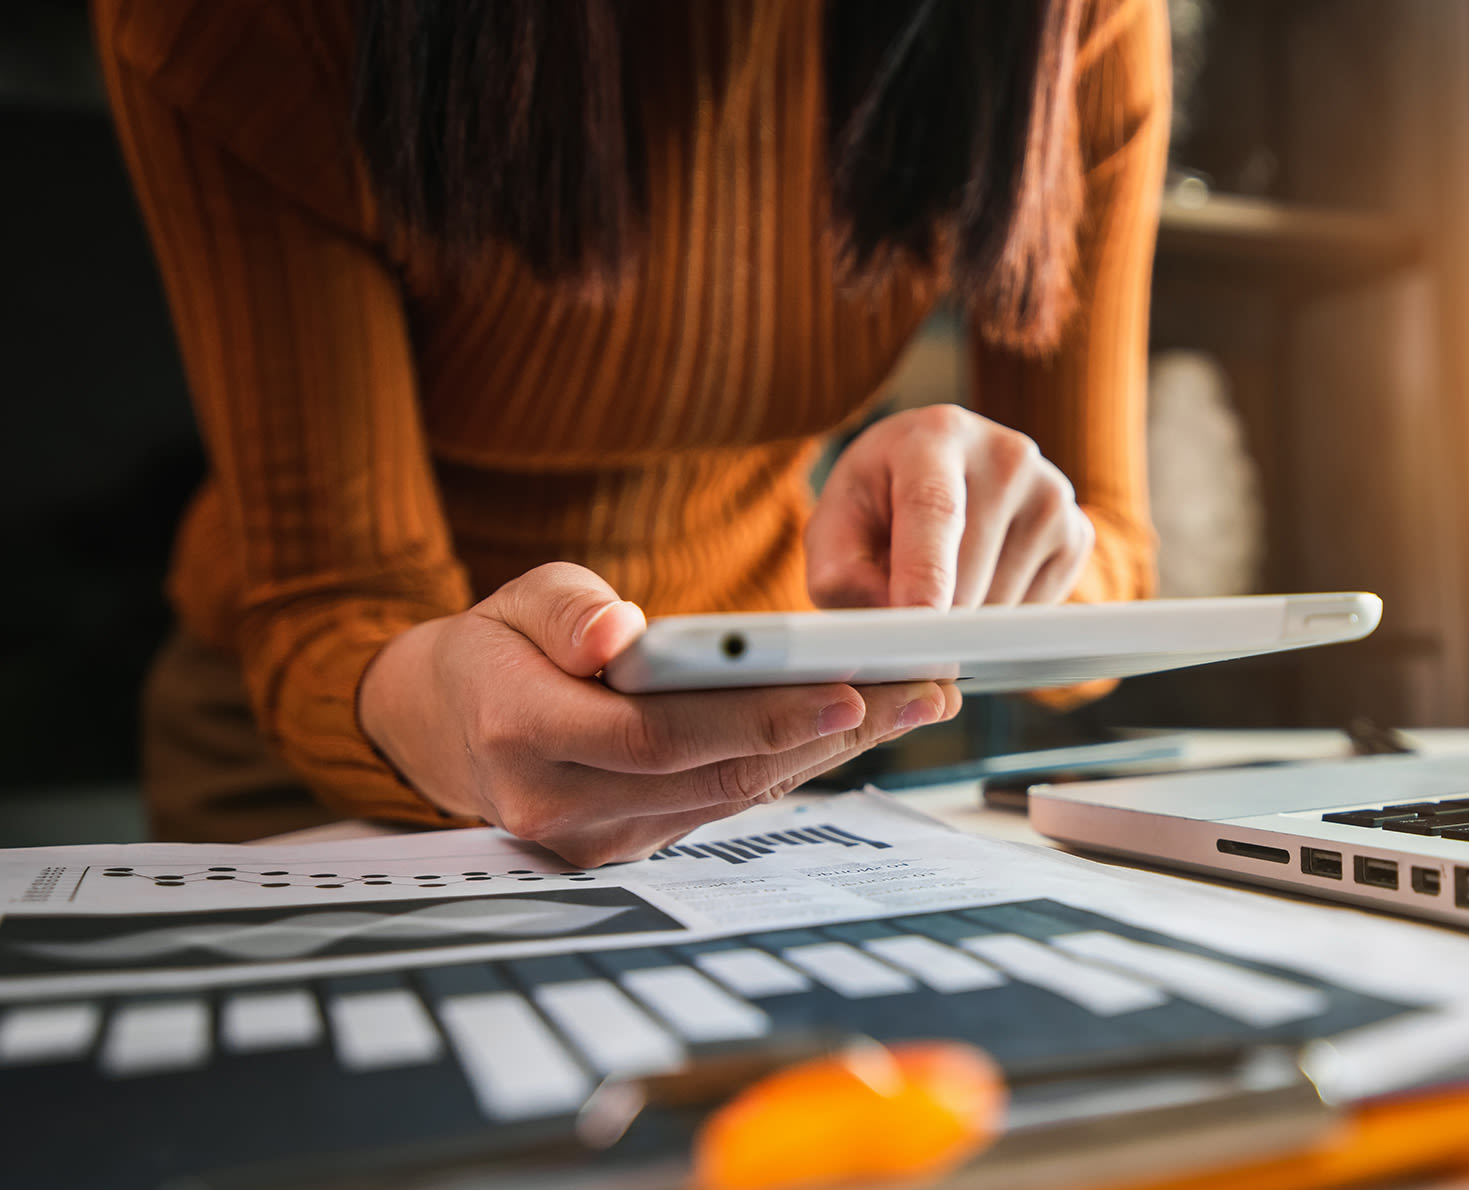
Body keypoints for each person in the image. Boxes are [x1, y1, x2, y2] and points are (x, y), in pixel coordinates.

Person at [96, 0, 1166, 866]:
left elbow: (1108, 556)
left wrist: (1000, 556)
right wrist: (453, 720)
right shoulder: (243, 25)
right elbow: (333, 595)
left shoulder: (1066, 23)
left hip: (748, 768)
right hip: (340, 756)